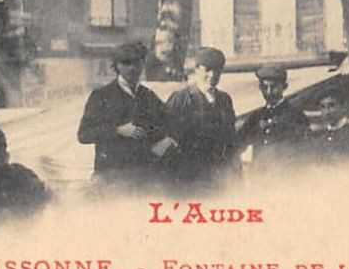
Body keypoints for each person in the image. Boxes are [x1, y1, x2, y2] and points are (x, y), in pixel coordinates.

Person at [76, 41, 173, 186]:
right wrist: (117, 130)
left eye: (137, 62)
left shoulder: (148, 95)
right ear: (116, 66)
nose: (133, 68)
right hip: (111, 177)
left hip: (144, 176)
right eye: (126, 63)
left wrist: (165, 141)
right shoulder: (101, 95)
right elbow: (84, 134)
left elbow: (170, 122)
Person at [163, 46, 238, 190]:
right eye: (208, 70)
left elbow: (230, 140)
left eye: (218, 70)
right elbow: (168, 140)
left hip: (219, 179)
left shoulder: (225, 100)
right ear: (197, 69)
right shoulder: (181, 99)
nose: (213, 75)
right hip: (189, 179)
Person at [236, 63, 308, 170]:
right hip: (260, 178)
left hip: (286, 178)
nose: (269, 92)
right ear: (260, 88)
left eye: (274, 87)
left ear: (284, 87)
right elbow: (237, 144)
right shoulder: (256, 117)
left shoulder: (296, 116)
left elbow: (304, 152)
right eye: (265, 87)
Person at [305, 92, 349, 163]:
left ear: (342, 108)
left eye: (331, 106)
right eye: (323, 107)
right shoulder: (321, 139)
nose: (327, 112)